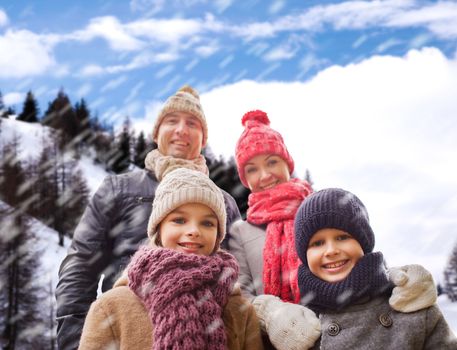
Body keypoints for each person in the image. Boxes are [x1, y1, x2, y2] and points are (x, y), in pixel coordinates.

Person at [228, 109, 439, 350]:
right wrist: (272, 313)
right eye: (252, 169)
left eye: (272, 162)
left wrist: (400, 281)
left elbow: (361, 260)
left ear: (287, 162)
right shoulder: (241, 232)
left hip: (343, 330)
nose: (264, 175)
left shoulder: (320, 210)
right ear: (244, 178)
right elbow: (241, 295)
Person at [56, 86, 240, 350]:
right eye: (171, 121)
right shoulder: (118, 189)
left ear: (203, 138)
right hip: (127, 331)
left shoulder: (224, 202)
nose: (181, 130)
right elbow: (81, 266)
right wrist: (78, 341)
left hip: (205, 336)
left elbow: (237, 280)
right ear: (156, 133)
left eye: (192, 123)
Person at [78, 168, 263, 349]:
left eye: (207, 223)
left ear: (218, 236)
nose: (194, 231)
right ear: (159, 230)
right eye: (179, 220)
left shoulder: (240, 310)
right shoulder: (111, 307)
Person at [294, 188, 456, 349]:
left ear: (363, 243)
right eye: (317, 243)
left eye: (342, 237)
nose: (331, 251)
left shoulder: (411, 305)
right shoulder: (298, 326)